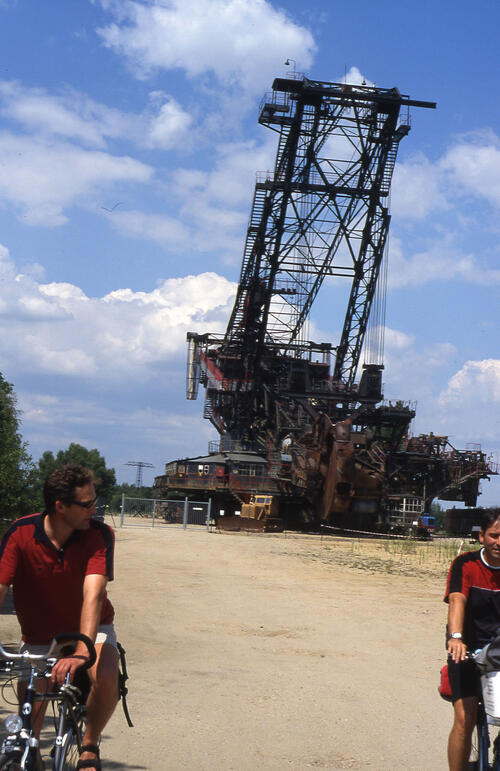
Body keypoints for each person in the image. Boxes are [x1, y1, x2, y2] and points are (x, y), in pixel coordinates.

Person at [0, 464, 118, 771]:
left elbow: (92, 595)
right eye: (87, 504)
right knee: (31, 724)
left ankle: (90, 744)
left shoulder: (98, 534)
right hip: (40, 634)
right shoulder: (20, 533)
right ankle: (31, 759)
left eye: (95, 500)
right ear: (60, 506)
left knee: (105, 676)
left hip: (90, 628)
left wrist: (83, 651)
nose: (95, 508)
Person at [444, 507, 500, 771]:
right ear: (482, 537)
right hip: (467, 645)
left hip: (499, 648)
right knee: (464, 719)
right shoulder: (465, 564)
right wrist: (456, 637)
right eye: (494, 535)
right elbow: (457, 599)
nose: (499, 542)